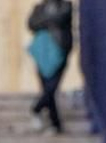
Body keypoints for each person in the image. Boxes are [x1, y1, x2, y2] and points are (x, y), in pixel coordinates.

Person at [27, 0, 75, 134]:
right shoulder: (39, 8)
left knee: (51, 88)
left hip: (60, 51)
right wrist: (49, 21)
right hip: (42, 53)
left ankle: (36, 108)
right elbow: (31, 24)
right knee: (47, 89)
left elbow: (60, 19)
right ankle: (56, 124)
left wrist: (44, 22)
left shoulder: (66, 6)